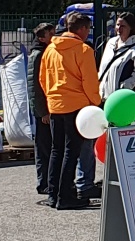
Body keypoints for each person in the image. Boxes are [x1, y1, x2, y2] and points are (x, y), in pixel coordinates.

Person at [39, 12, 100, 210]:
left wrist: (51, 98)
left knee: (56, 150)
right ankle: (65, 195)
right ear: (81, 29)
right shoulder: (83, 50)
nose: (88, 33)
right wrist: (95, 103)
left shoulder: (50, 49)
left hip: (55, 104)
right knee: (71, 151)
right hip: (77, 105)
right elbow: (90, 81)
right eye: (88, 29)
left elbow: (43, 78)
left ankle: (53, 193)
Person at [27, 23, 55, 196]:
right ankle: (43, 183)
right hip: (43, 111)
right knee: (44, 148)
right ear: (41, 38)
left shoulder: (44, 52)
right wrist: (42, 111)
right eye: (50, 33)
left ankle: (47, 182)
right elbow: (35, 86)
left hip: (46, 109)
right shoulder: (38, 55)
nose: (54, 35)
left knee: (48, 146)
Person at [98, 11, 135, 101]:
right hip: (105, 99)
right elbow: (103, 69)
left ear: (130, 28)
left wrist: (124, 87)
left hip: (123, 100)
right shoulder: (110, 43)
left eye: (123, 26)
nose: (119, 29)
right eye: (117, 25)